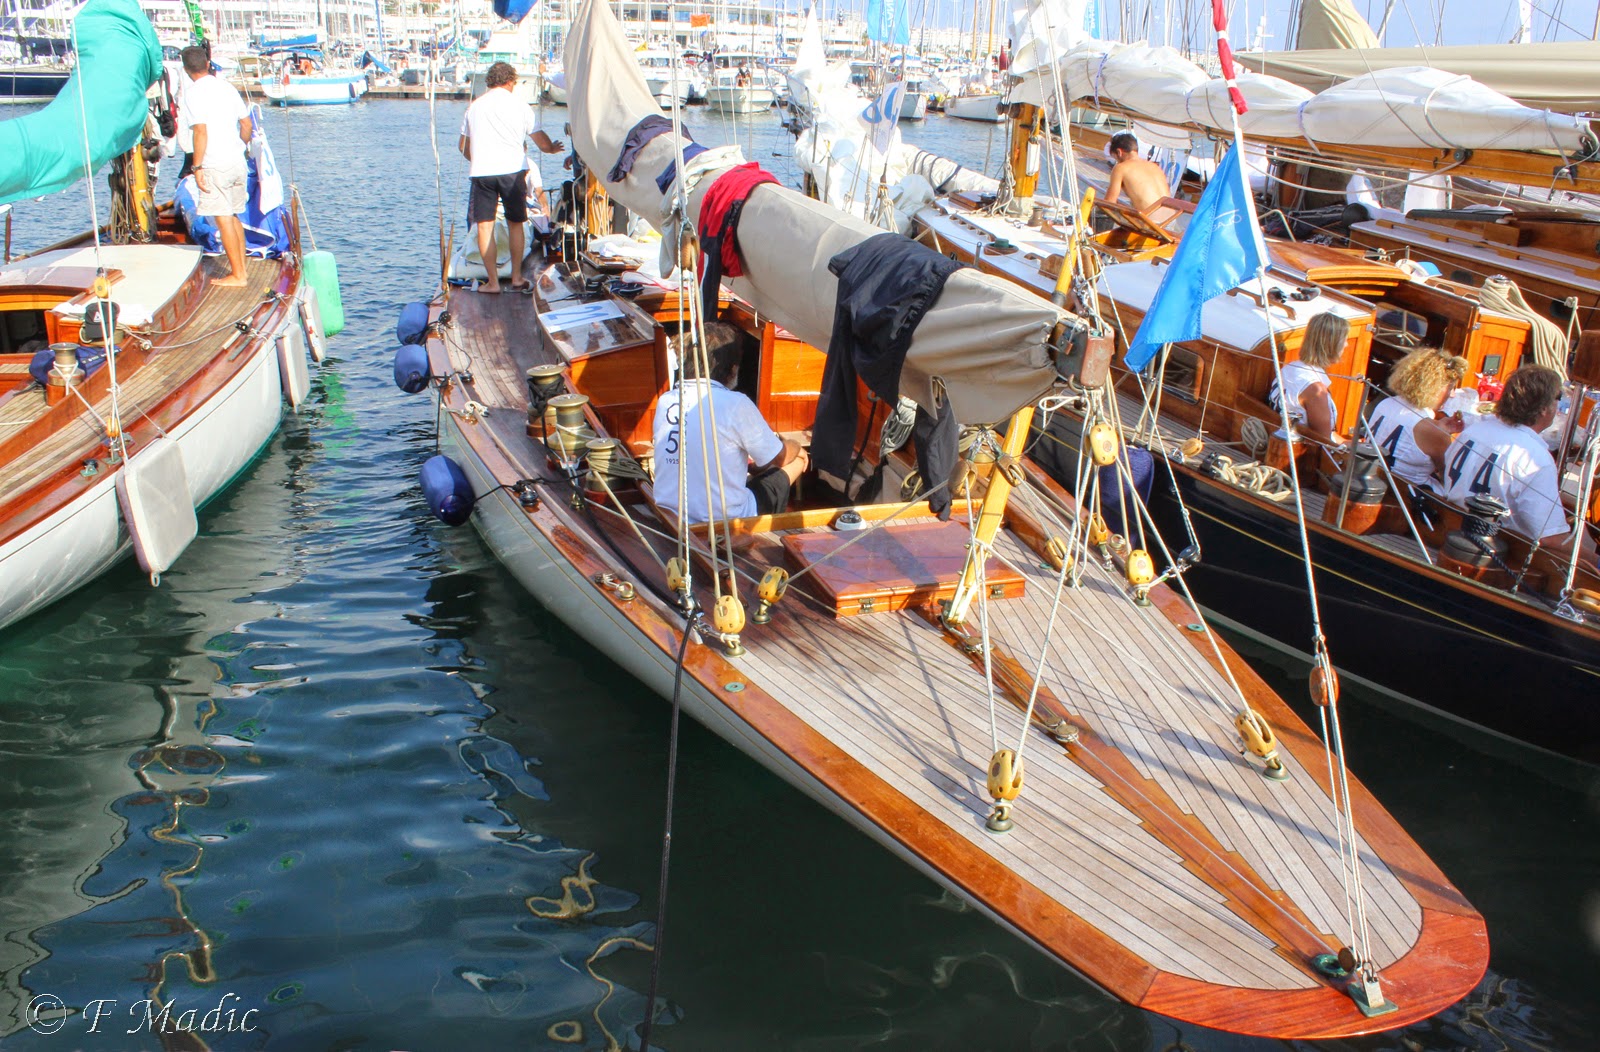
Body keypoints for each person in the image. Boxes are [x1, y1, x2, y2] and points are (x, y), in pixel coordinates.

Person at [653, 323, 809, 524]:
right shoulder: (736, 404)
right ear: (733, 369)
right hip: (724, 522)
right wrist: (796, 447)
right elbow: (779, 459)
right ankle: (772, 529)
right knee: (797, 460)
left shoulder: (665, 400)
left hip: (671, 516)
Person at [1444, 364, 1591, 556]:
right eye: (1558, 399)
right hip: (1496, 553)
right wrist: (1593, 558)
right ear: (1544, 409)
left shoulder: (1471, 432)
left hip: (1448, 531)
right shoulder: (1535, 459)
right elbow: (1549, 537)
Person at [458, 61, 564, 294]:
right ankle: (516, 277)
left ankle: (493, 283)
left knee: (484, 227)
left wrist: (476, 160)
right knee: (516, 223)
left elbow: (463, 146)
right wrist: (551, 149)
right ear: (510, 81)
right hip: (512, 171)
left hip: (482, 172)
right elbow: (539, 138)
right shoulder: (519, 105)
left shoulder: (474, 107)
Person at [179, 45, 253, 288]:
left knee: (223, 218)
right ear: (208, 63)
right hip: (236, 160)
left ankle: (238, 275)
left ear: (186, 69)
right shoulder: (226, 87)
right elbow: (246, 124)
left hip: (214, 162)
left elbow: (200, 131)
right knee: (233, 215)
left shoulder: (193, 93)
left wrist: (197, 167)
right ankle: (241, 268)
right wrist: (240, 147)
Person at [1366, 347, 1470, 485]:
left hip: (1377, 479)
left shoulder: (1385, 403)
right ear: (1434, 387)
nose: (1452, 395)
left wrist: (1439, 426)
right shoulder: (1433, 431)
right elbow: (1449, 479)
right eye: (1450, 388)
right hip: (1410, 496)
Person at [1269, 312, 1348, 444]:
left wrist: (1349, 443)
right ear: (1331, 344)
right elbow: (1325, 442)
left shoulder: (1289, 369)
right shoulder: (1315, 390)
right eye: (1344, 340)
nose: (1346, 345)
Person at [1104, 132, 1171, 215]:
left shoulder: (1121, 168)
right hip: (1170, 219)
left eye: (1115, 157)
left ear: (1119, 152)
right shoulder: (1155, 167)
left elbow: (1109, 202)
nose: (1116, 161)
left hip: (1149, 221)